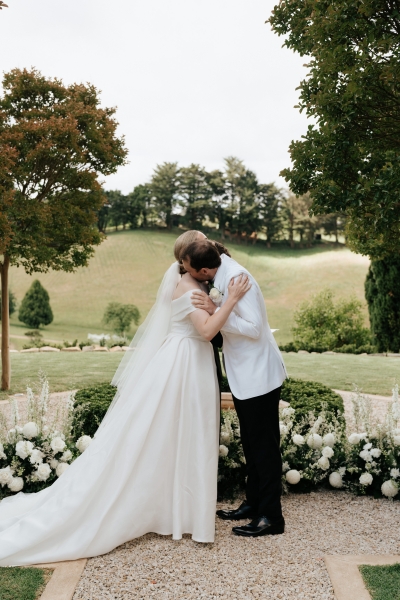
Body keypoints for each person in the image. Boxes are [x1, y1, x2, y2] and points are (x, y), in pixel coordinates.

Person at [0, 247, 250, 566]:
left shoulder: (191, 281)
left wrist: (217, 302)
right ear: (196, 267)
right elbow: (205, 331)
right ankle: (172, 512)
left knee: (178, 435)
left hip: (186, 361)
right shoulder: (191, 288)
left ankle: (175, 511)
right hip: (185, 364)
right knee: (175, 433)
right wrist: (230, 300)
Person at [180, 239, 287, 537]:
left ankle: (271, 516)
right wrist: (220, 307)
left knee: (264, 448)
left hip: (259, 376)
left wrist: (217, 309)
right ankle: (254, 503)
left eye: (188, 268)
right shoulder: (221, 274)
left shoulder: (237, 279)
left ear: (204, 271)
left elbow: (254, 328)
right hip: (245, 375)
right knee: (251, 445)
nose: (184, 272)